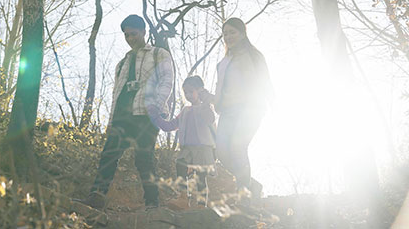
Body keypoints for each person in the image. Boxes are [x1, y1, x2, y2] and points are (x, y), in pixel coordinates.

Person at [82, 15, 174, 210]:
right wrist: (111, 120)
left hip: (146, 113)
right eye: (126, 35)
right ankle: (97, 196)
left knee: (144, 157)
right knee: (109, 154)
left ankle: (152, 202)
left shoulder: (159, 53)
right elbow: (116, 92)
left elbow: (167, 80)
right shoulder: (122, 63)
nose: (130, 38)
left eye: (133, 34)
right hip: (122, 116)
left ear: (143, 32)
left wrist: (156, 106)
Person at [199, 17, 274, 201]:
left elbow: (265, 82)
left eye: (232, 32)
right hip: (228, 111)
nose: (228, 36)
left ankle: (244, 196)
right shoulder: (224, 63)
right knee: (222, 153)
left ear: (242, 33)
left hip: (251, 108)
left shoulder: (254, 56)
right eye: (225, 33)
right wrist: (209, 98)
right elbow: (223, 92)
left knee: (238, 147)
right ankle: (252, 185)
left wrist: (272, 102)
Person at [149, 75, 216, 209]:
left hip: (204, 148)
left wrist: (207, 102)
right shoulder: (185, 111)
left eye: (191, 91)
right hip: (187, 148)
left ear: (200, 91)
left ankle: (201, 205)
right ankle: (183, 197)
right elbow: (170, 126)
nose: (188, 95)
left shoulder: (206, 108)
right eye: (185, 92)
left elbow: (210, 120)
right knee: (180, 165)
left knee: (201, 178)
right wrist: (155, 116)